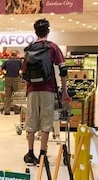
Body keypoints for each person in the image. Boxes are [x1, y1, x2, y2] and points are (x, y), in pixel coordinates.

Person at [20, 19, 69, 166]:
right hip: (48, 89)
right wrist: (64, 91)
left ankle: (30, 153)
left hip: (32, 90)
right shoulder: (53, 48)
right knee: (46, 120)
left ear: (35, 32)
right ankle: (42, 153)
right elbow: (63, 70)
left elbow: (23, 72)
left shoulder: (29, 49)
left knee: (31, 119)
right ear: (48, 31)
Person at [1, 50, 23, 115]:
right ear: (16, 55)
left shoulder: (7, 61)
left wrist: (5, 74)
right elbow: (23, 69)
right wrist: (19, 73)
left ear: (11, 55)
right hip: (15, 78)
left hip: (7, 78)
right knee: (16, 95)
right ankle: (16, 110)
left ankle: (7, 111)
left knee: (8, 96)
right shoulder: (19, 62)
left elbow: (1, 69)